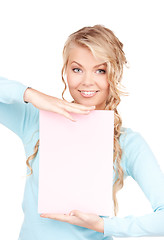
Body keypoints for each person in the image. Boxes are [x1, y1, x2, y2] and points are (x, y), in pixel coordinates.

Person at [0, 24, 164, 240]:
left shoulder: (128, 142)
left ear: (115, 74)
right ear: (65, 71)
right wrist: (30, 94)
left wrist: (104, 226)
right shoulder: (35, 119)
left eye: (100, 70)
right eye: (77, 69)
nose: (87, 81)